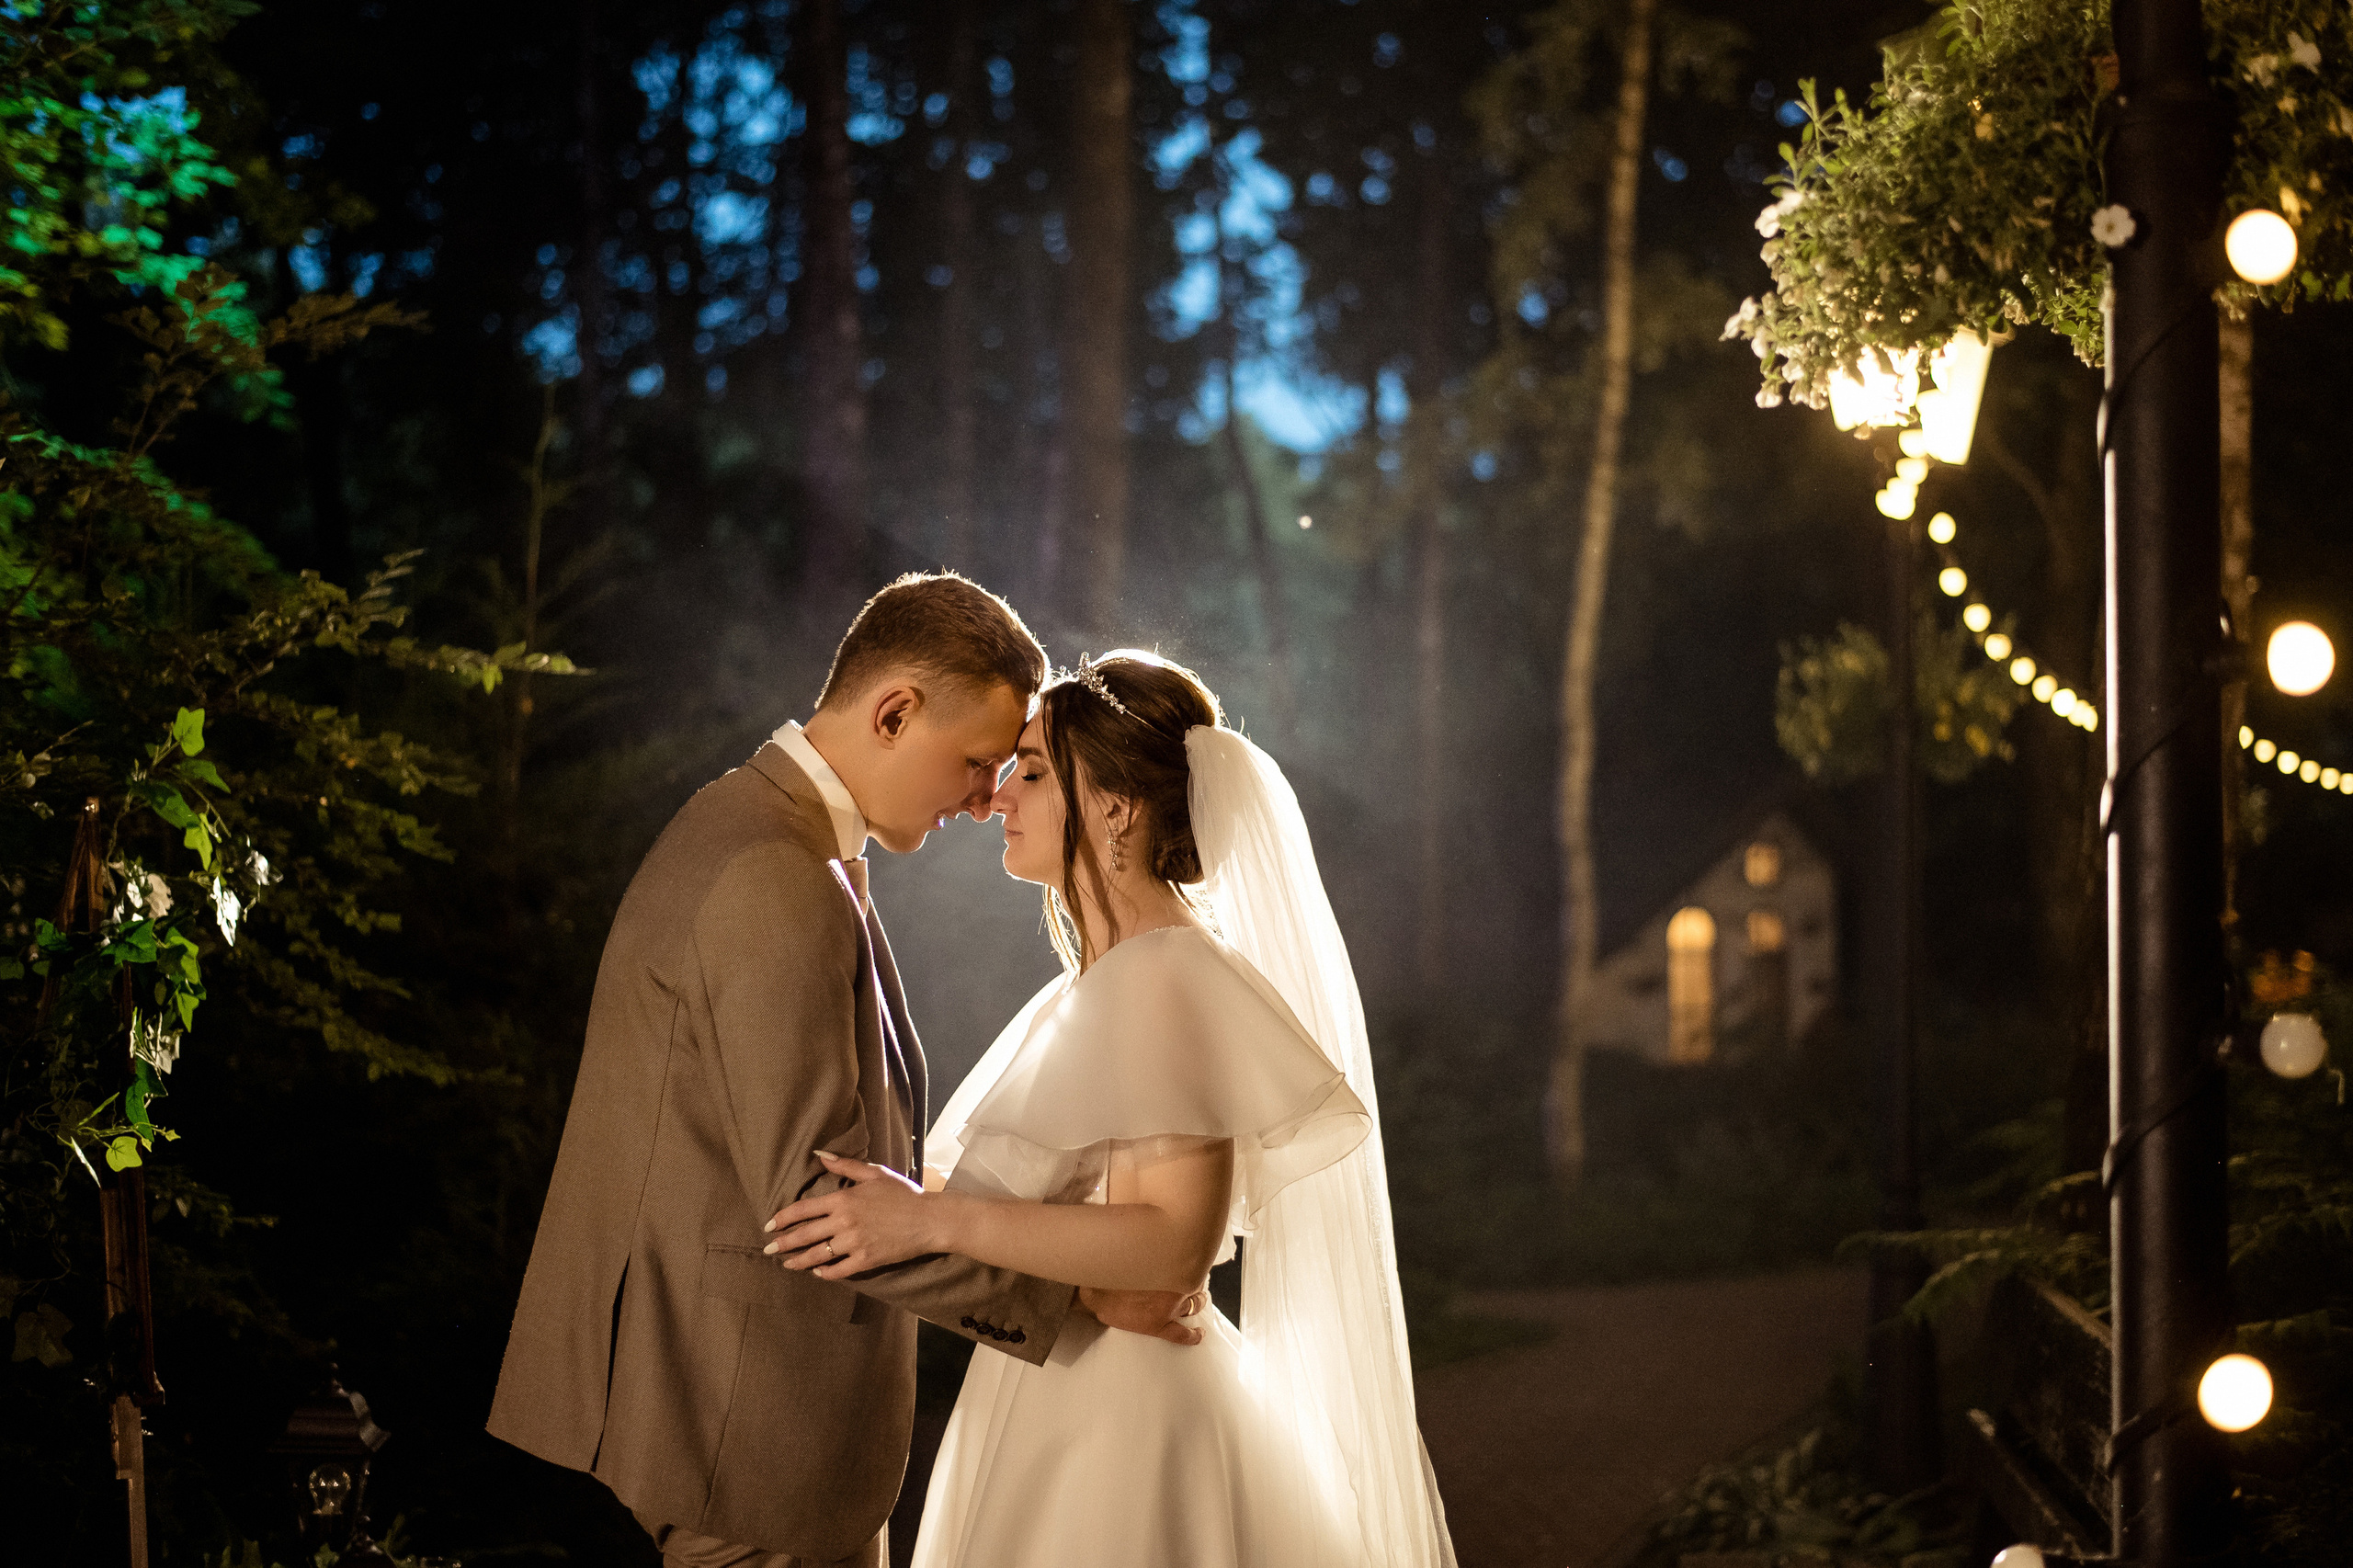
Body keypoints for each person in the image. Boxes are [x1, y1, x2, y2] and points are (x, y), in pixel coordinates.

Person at [486, 576, 1202, 1568]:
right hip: (740, 1429)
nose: (985, 795)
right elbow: (816, 1205)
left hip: (765, 1420)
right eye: (978, 761)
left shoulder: (773, 838)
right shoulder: (770, 875)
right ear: (895, 711)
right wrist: (1075, 1297)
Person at [766, 651, 1458, 1568]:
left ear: (1117, 806)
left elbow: (1168, 1247)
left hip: (1125, 1423)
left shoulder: (1163, 974)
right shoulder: (1106, 980)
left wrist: (928, 1219)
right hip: (1068, 1390)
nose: (999, 796)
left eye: (1036, 770)